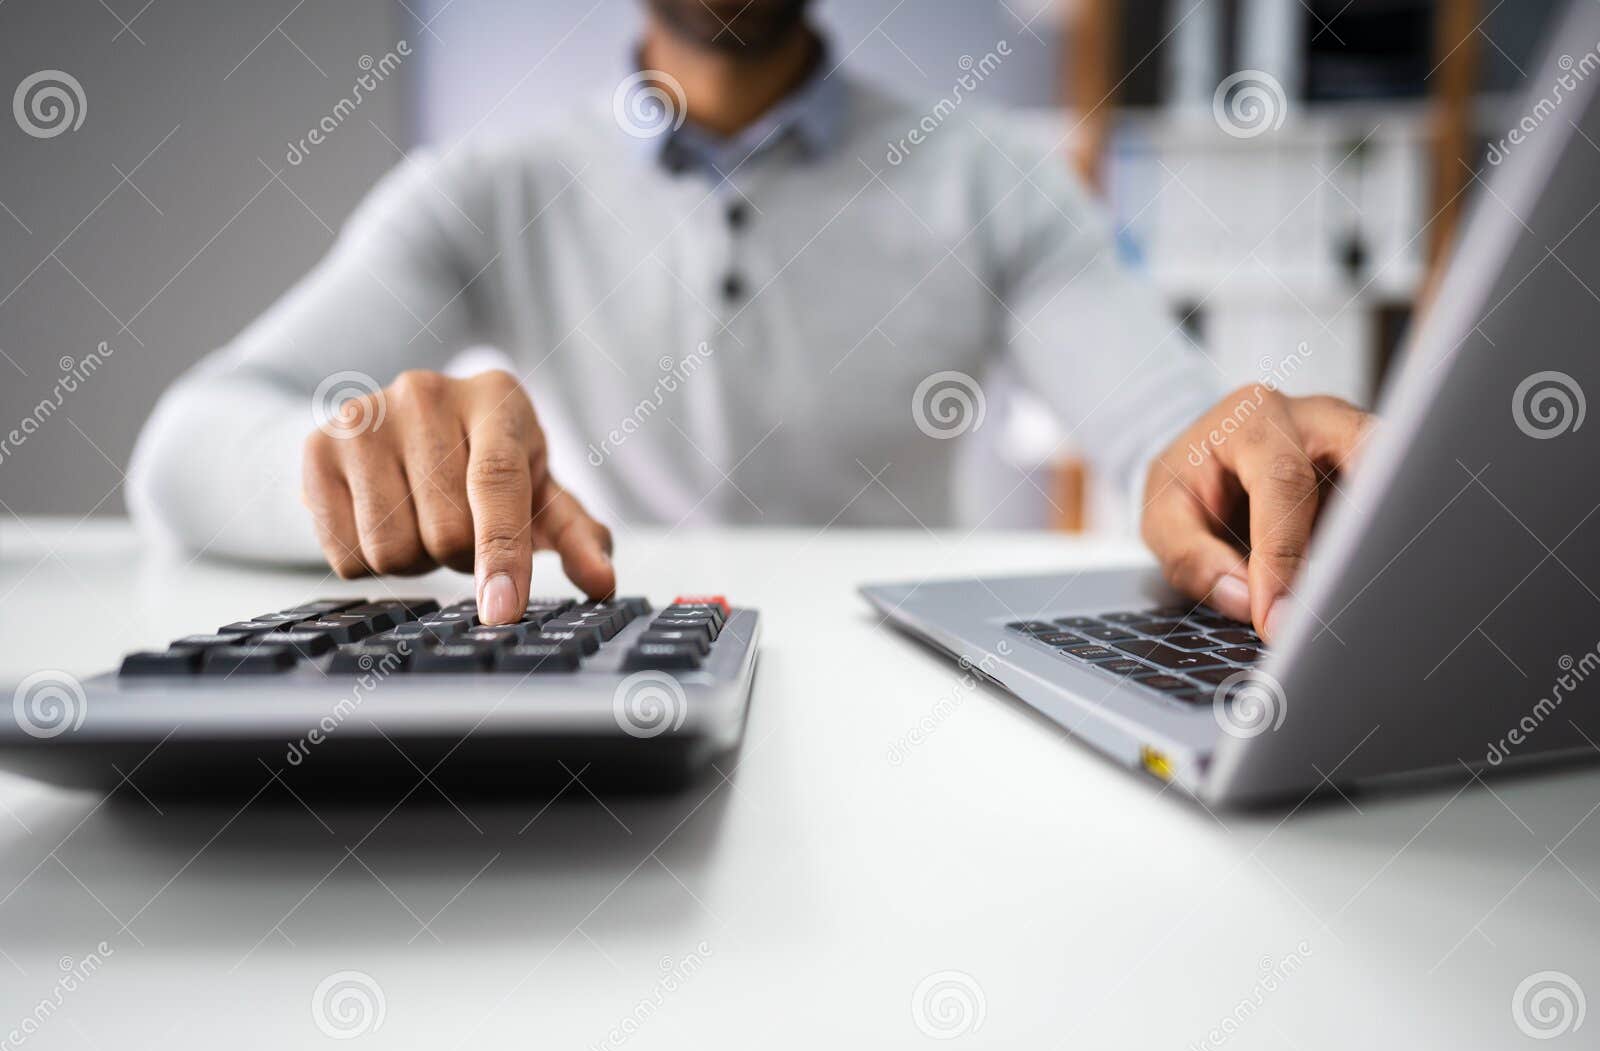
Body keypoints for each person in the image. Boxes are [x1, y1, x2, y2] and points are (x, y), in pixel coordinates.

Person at [127, 0, 1372, 641]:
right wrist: (353, 469)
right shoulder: (486, 187)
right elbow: (186, 445)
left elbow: (1168, 433)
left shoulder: (992, 176)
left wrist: (1235, 456)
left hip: (904, 700)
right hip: (608, 685)